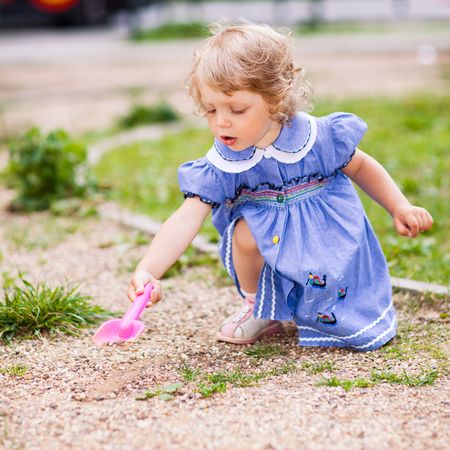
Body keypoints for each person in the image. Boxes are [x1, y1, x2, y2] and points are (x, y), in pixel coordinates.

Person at [127, 22, 433, 351]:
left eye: (237, 109)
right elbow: (187, 217)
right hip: (270, 241)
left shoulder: (318, 138)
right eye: (211, 110)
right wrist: (149, 269)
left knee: (343, 309)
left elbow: (360, 165)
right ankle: (258, 306)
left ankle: (347, 309)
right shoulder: (225, 162)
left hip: (327, 233)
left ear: (274, 99)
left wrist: (399, 206)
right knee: (245, 231)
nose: (221, 122)